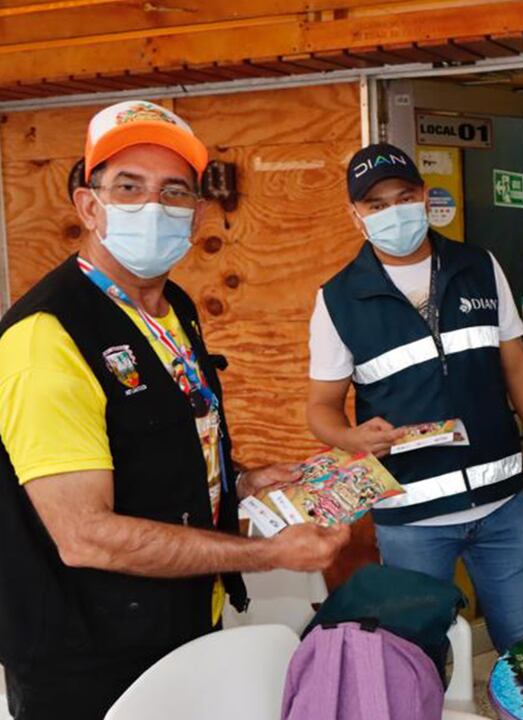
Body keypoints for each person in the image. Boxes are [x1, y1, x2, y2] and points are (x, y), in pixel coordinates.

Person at [0, 100, 350, 720]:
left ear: (194, 211)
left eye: (174, 192)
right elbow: (85, 535)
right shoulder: (46, 336)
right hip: (87, 655)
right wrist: (270, 554)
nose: (153, 208)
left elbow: (156, 441)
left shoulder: (174, 308)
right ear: (88, 204)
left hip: (179, 619)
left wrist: (239, 481)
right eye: (128, 188)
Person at [307, 142, 523, 653]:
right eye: (376, 204)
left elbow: (516, 367)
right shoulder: (336, 299)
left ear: (424, 197)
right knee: (418, 660)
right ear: (354, 214)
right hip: (412, 520)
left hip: (502, 509)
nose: (393, 212)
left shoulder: (478, 266)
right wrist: (351, 437)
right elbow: (320, 409)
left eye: (403, 196)